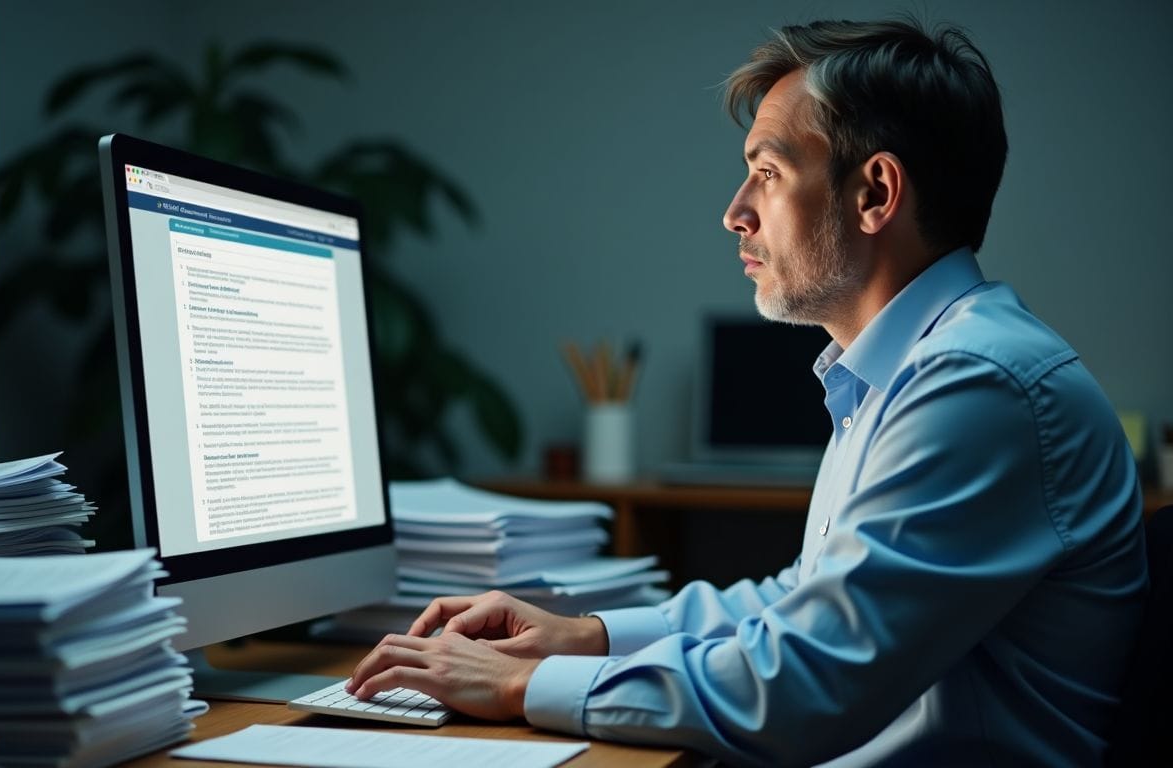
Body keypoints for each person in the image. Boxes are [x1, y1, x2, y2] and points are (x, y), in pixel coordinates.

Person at [347, 17, 1148, 766]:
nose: (735, 214)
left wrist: (522, 685)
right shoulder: (906, 371)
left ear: (875, 193)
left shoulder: (977, 383)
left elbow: (803, 680)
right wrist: (581, 637)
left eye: (767, 174)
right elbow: (801, 603)